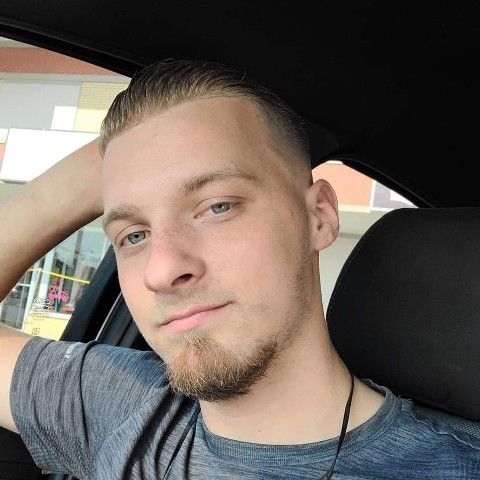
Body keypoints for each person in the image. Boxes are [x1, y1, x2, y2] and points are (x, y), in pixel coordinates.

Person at [0, 59, 478, 480]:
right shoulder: (120, 404)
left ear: (319, 216)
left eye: (218, 207)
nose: (160, 271)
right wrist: (104, 165)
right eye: (134, 235)